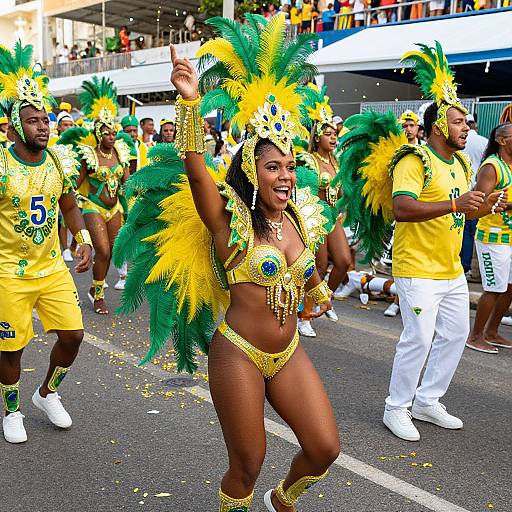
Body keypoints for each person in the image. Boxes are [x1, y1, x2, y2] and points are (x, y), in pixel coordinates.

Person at [115, 14, 340, 511]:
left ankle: (284, 498)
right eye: (272, 167)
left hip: (289, 352)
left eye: (288, 166)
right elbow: (197, 172)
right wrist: (190, 102)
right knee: (248, 463)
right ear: (251, 172)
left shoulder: (299, 217)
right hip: (238, 352)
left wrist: (316, 293)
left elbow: (305, 275)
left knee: (325, 449)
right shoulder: (229, 219)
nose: (285, 176)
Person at [336, 42, 507, 443]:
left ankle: (428, 400)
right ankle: (396, 407)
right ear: (437, 127)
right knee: (419, 337)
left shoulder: (463, 162)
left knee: (452, 337)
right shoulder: (415, 160)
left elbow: (465, 211)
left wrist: (486, 206)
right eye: (460, 122)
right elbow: (403, 208)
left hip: (450, 269)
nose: (467, 128)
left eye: (467, 123)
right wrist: (454, 203)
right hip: (416, 268)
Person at [0, 41, 92, 444]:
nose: (43, 126)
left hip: (52, 267)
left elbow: (69, 205)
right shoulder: (2, 164)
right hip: (9, 272)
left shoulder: (56, 161)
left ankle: (46, 393)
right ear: (16, 127)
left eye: (46, 119)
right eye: (34, 121)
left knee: (73, 336)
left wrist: (83, 236)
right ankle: (12, 410)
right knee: (11, 350)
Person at [61, 77, 132, 314]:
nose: (113, 136)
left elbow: (128, 182)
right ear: (99, 134)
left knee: (112, 251)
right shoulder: (89, 155)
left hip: (115, 209)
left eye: (114, 133)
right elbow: (75, 183)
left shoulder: (121, 153)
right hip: (93, 206)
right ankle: (98, 295)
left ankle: (94, 288)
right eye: (108, 133)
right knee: (102, 250)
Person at [296, 85, 351, 336]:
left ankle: (324, 297)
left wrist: (344, 205)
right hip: (314, 219)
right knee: (317, 265)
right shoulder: (308, 161)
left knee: (343, 262)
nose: (333, 137)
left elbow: (340, 193)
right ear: (317, 136)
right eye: (327, 134)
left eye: (334, 134)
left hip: (333, 219)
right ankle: (304, 316)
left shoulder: (336, 162)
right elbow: (302, 190)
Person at [466, 123, 512, 354]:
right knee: (494, 288)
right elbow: (478, 203)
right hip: (492, 238)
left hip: (510, 237)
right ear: (502, 140)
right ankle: (475, 336)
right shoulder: (492, 167)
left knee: (509, 288)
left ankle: (492, 332)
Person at [460, 113, 488, 275]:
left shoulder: (460, 142)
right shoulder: (483, 142)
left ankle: (462, 265)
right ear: (474, 125)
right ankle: (466, 266)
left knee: (462, 231)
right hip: (477, 191)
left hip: (460, 190)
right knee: (469, 231)